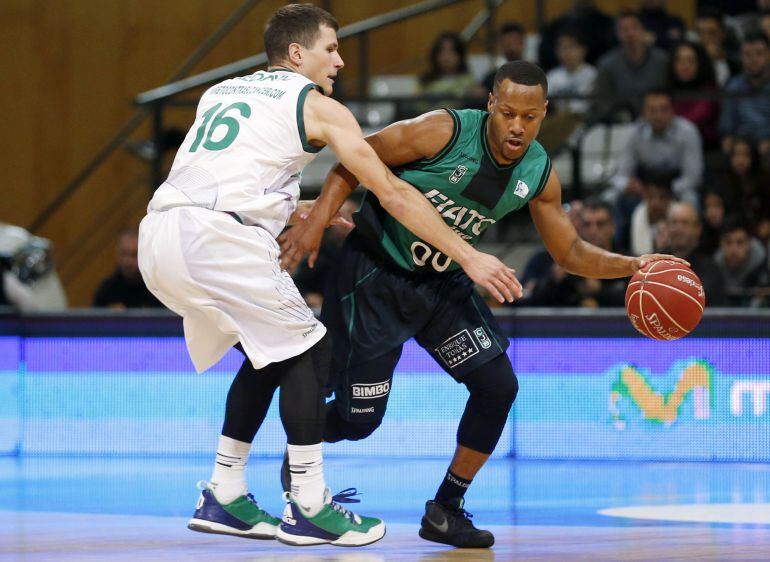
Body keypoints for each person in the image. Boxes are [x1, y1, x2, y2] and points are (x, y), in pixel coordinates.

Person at [137, 3, 520, 548]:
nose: (339, 60)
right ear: (297, 54)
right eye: (330, 48)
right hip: (215, 241)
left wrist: (295, 209)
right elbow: (391, 191)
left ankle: (224, 490)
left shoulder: (221, 92)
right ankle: (311, 506)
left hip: (161, 234)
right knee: (311, 351)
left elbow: (226, 174)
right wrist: (469, 255)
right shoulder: (317, 106)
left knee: (269, 353)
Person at [279, 61, 683, 548]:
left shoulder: (538, 172)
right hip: (376, 276)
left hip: (443, 285)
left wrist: (632, 265)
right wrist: (319, 218)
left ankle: (445, 509)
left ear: (544, 114)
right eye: (508, 112)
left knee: (498, 387)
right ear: (491, 103)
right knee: (359, 422)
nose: (517, 126)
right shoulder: (442, 131)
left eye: (529, 117)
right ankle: (305, 449)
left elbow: (570, 253)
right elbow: (353, 158)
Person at [606, 89, 703, 212]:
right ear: (644, 112)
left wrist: (663, 192)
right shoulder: (635, 133)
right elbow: (621, 175)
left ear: (673, 110)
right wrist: (627, 185)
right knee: (610, 197)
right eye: (652, 110)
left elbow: (693, 177)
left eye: (664, 109)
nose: (658, 115)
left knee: (691, 198)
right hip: (643, 189)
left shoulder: (688, 132)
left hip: (675, 188)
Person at [590, 11, 669, 123]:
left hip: (658, 121)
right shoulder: (607, 64)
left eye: (634, 27)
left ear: (643, 30)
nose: (630, 33)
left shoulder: (662, 60)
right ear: (617, 34)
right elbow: (602, 101)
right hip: (621, 123)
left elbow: (671, 95)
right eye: (624, 30)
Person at [662, 202, 727, 305]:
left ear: (698, 228)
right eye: (674, 222)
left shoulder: (710, 269)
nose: (678, 229)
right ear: (667, 227)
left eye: (685, 223)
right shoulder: (656, 262)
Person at [719, 33, 770, 159]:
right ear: (741, 57)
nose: (753, 59)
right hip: (742, 146)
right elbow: (727, 128)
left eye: (759, 53)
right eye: (747, 55)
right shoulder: (733, 87)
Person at [92, 228, 164, 309]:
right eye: (123, 254)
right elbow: (94, 319)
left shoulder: (157, 290)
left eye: (133, 255)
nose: (128, 261)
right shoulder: (107, 289)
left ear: (143, 255)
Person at [669, 41, 721, 149]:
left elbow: (696, 119)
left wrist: (666, 124)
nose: (685, 65)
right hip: (671, 144)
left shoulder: (709, 90)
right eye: (680, 60)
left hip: (704, 145)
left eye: (691, 60)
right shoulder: (668, 89)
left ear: (700, 63)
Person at [714, 215, 769, 306]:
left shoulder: (762, 261)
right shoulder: (716, 264)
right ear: (721, 243)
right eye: (728, 242)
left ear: (749, 243)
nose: (733, 250)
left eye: (740, 242)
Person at [629, 173, 674, 256]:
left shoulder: (678, 216)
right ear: (644, 196)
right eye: (651, 196)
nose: (656, 203)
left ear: (669, 198)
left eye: (662, 197)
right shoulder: (637, 215)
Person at [482, 22, 526, 93]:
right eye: (508, 44)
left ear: (523, 43)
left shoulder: (536, 72)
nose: (512, 48)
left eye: (515, 42)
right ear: (501, 46)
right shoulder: (493, 76)